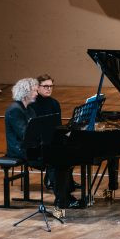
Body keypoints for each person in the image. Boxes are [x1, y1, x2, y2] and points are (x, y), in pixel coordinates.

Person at [29, 74, 80, 210]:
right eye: (45, 86)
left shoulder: (54, 103)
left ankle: (65, 191)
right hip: (37, 144)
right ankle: (62, 198)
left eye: (51, 86)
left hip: (51, 140)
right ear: (37, 87)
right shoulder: (32, 104)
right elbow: (33, 129)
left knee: (70, 151)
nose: (49, 89)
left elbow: (57, 126)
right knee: (56, 159)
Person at [4, 77, 38, 160]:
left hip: (28, 147)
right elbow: (24, 134)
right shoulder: (15, 110)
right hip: (19, 150)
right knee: (53, 158)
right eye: (34, 91)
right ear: (25, 92)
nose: (37, 94)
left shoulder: (30, 109)